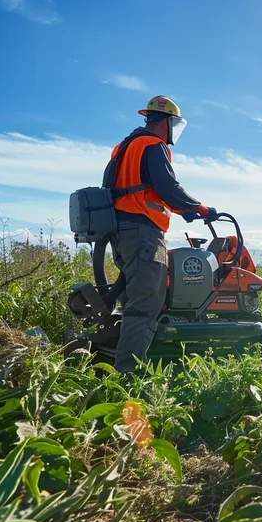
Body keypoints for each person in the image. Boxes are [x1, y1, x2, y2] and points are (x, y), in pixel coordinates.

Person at [105, 95, 216, 373]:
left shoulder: (124, 147)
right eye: (174, 125)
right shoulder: (153, 145)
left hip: (123, 232)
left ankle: (116, 356)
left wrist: (184, 211)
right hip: (143, 232)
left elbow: (141, 188)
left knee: (133, 300)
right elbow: (168, 187)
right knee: (145, 305)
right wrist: (199, 208)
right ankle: (126, 376)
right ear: (166, 123)